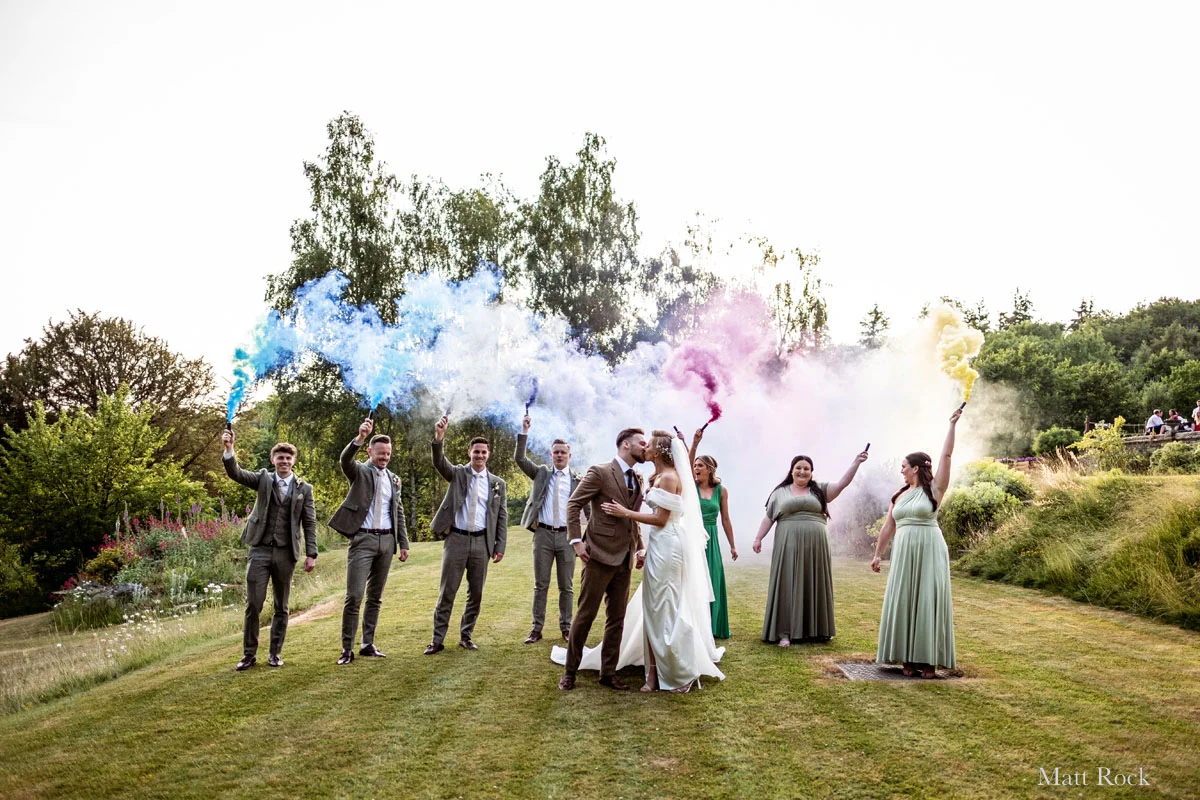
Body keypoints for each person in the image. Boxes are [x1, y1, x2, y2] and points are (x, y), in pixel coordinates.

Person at [598, 430, 725, 692]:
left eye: (649, 445)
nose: (645, 448)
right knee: (653, 610)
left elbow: (662, 519)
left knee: (666, 608)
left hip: (669, 545)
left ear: (659, 451)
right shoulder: (657, 477)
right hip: (659, 543)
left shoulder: (668, 478)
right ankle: (653, 674)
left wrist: (626, 513)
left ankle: (680, 673)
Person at [870, 407, 962, 678]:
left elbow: (946, 455)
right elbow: (889, 526)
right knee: (904, 599)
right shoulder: (898, 495)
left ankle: (928, 660)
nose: (901, 470)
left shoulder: (934, 489)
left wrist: (952, 425)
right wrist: (878, 554)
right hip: (904, 551)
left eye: (903, 466)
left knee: (927, 598)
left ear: (916, 468)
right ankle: (906, 658)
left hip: (929, 547)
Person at [556, 428, 648, 691]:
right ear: (626, 444)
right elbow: (573, 504)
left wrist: (639, 548)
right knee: (585, 615)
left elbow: (633, 517)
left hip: (625, 559)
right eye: (642, 443)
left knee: (616, 619)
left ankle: (608, 673)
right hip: (597, 555)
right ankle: (569, 673)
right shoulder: (600, 471)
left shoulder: (638, 478)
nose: (646, 448)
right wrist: (576, 541)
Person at [752, 448, 868, 646]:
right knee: (787, 582)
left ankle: (817, 630)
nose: (802, 472)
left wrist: (856, 462)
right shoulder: (780, 493)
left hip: (817, 545)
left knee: (815, 580)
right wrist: (758, 538)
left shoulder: (819, 490)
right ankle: (784, 632)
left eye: (806, 469)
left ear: (812, 472)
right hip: (788, 543)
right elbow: (769, 517)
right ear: (791, 471)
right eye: (798, 468)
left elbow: (841, 484)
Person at [221, 430, 317, 671]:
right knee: (254, 604)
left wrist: (311, 553)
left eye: (288, 458)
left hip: (286, 553)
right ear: (273, 460)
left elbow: (310, 522)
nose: (284, 462)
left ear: (293, 461)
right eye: (280, 458)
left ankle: (275, 653)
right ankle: (248, 655)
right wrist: (229, 449)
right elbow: (236, 473)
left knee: (281, 606)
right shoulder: (263, 479)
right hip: (260, 550)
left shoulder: (304, 489)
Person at [328, 417, 409, 665]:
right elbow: (345, 460)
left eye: (388, 453)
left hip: (386, 542)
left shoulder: (395, 479)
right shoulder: (360, 471)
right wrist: (360, 436)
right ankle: (346, 649)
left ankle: (367, 644)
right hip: (362, 540)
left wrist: (403, 543)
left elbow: (399, 510)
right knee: (354, 596)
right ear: (370, 452)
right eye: (380, 453)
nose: (385, 457)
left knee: (375, 597)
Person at [425, 415, 507, 654]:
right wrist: (439, 437)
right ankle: (437, 640)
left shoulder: (497, 484)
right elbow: (440, 463)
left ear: (488, 455)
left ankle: (466, 635)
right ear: (469, 453)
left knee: (476, 593)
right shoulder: (459, 474)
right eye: (476, 452)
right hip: (457, 540)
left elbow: (501, 516)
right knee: (447, 592)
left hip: (482, 542)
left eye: (483, 452)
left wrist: (499, 546)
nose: (480, 455)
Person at [514, 413, 583, 644]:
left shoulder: (577, 479)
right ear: (551, 455)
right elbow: (520, 459)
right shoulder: (542, 473)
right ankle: (536, 629)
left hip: (567, 537)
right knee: (540, 585)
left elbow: (588, 509)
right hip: (543, 535)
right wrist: (524, 431)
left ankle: (566, 628)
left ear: (569, 455)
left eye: (563, 452)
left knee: (567, 587)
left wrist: (586, 537)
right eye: (556, 452)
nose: (559, 455)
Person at [688, 427, 737, 639]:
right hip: (693, 535)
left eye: (700, 465)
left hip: (712, 537)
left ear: (709, 469)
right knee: (694, 578)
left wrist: (733, 545)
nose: (696, 468)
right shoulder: (690, 486)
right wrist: (694, 443)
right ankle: (694, 624)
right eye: (695, 465)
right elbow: (683, 467)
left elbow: (725, 519)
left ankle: (714, 626)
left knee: (713, 577)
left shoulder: (721, 490)